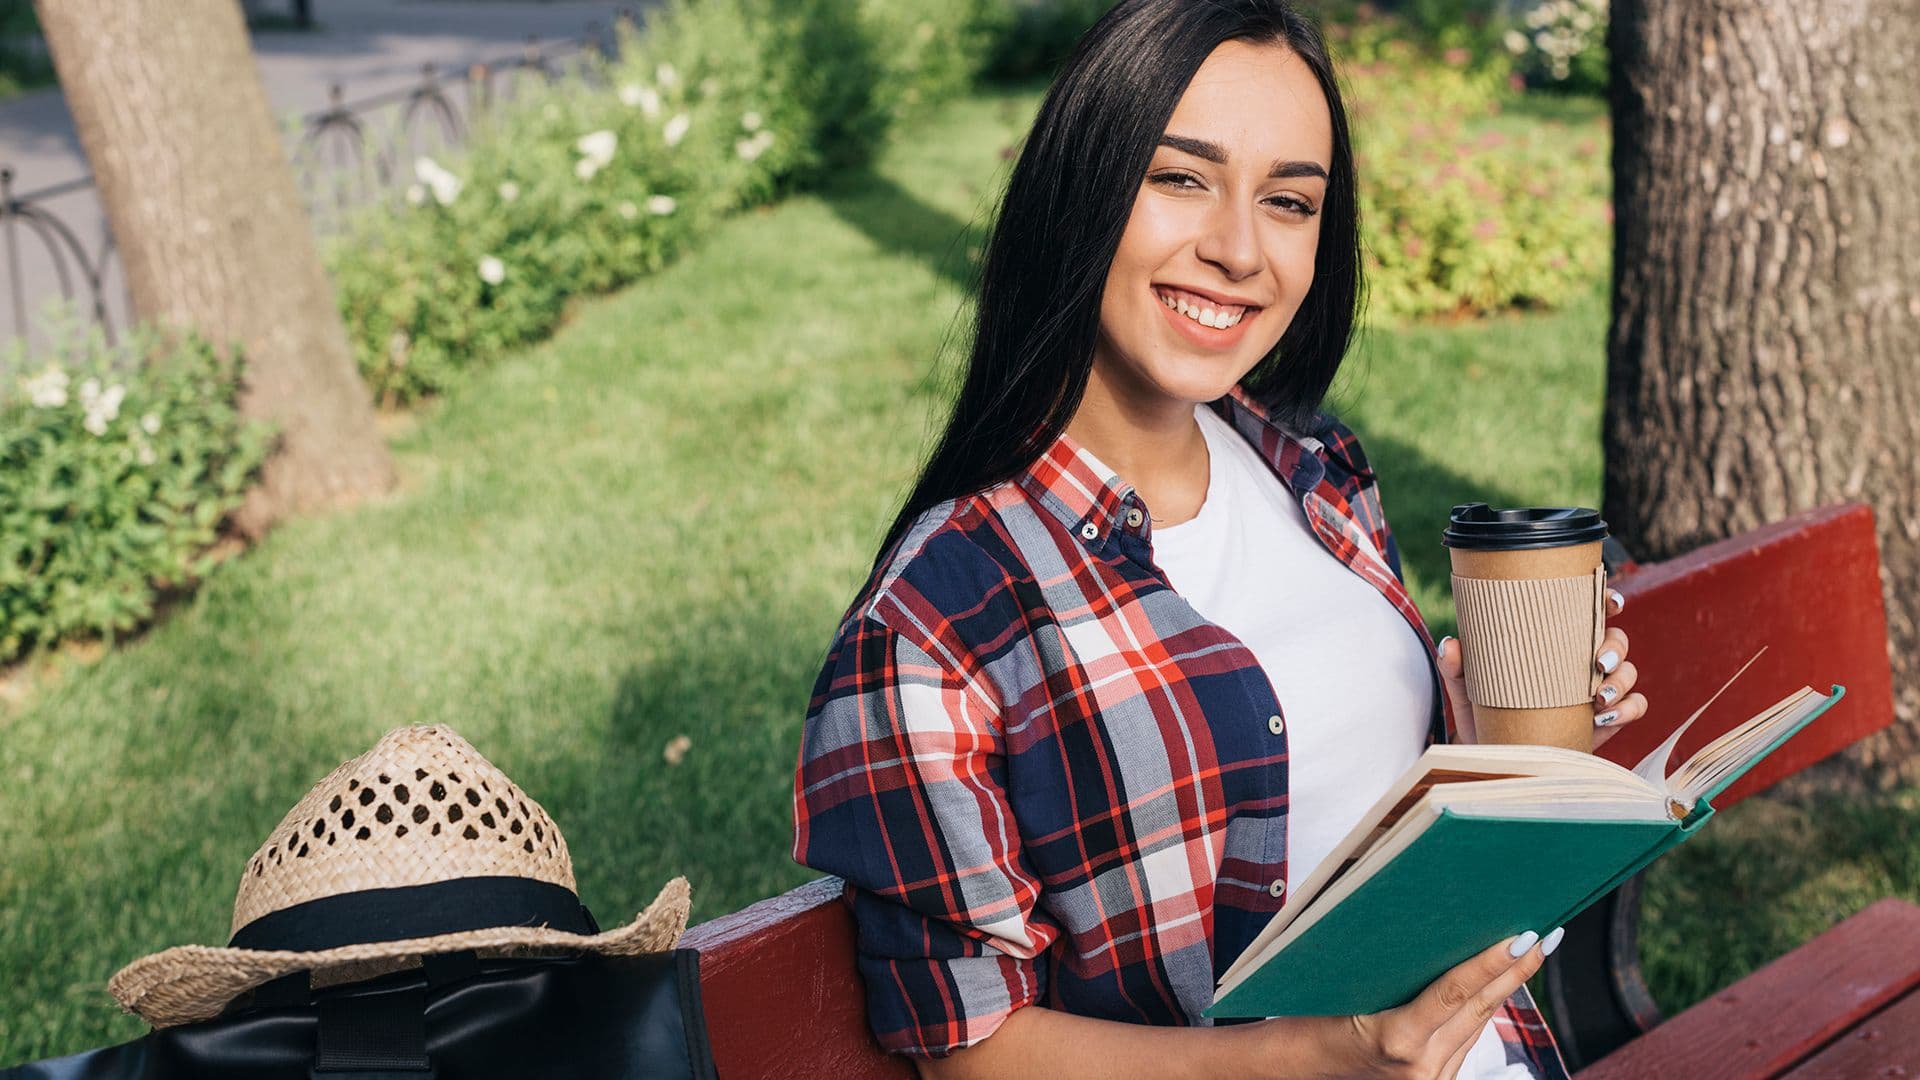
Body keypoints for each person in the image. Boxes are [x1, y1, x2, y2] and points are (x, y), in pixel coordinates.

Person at [790, 2, 1642, 1077]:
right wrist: (1324, 1058)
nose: (1239, 250)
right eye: (1182, 178)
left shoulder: (1314, 467)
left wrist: (1496, 759)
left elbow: (1346, 826)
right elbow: (966, 1050)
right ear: (1080, 188)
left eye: (1288, 201)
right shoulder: (937, 621)